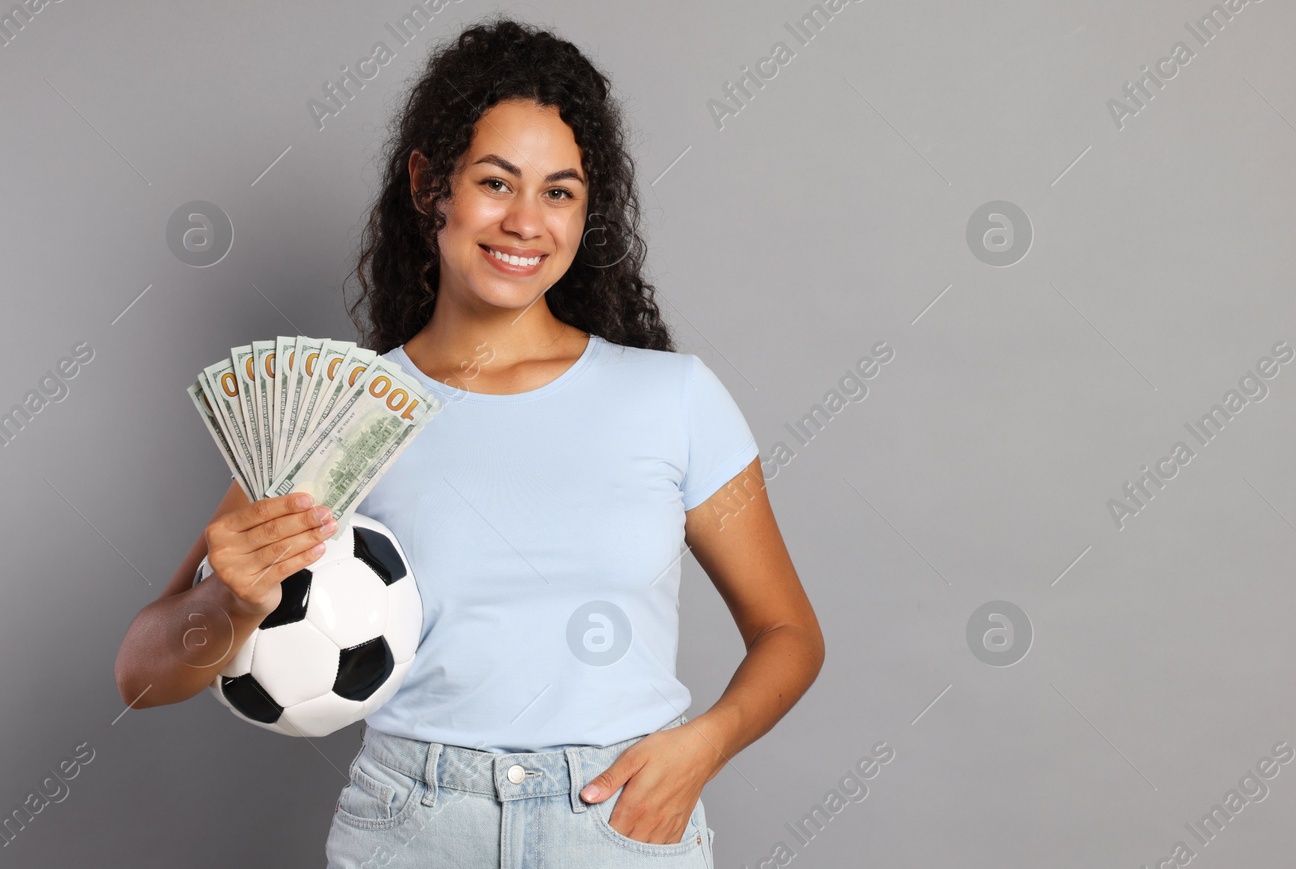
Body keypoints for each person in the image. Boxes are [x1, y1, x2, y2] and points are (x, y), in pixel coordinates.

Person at [113, 16, 824, 867]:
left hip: (621, 825)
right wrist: (227, 603)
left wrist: (702, 747)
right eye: (496, 182)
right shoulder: (340, 412)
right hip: (414, 825)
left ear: (586, 210)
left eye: (558, 191)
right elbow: (142, 675)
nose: (526, 221)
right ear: (429, 186)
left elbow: (789, 630)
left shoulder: (674, 398)